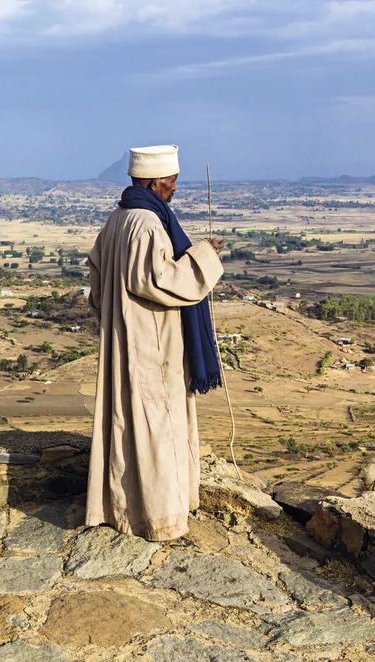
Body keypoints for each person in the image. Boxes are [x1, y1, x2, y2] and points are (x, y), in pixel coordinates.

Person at [85, 145, 224, 541]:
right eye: (170, 181)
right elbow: (159, 280)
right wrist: (204, 258)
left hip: (125, 337)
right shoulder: (147, 224)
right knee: (155, 427)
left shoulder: (116, 219)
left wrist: (116, 315)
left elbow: (97, 289)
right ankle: (159, 519)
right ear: (150, 181)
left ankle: (123, 509)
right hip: (151, 343)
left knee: (127, 423)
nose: (174, 188)